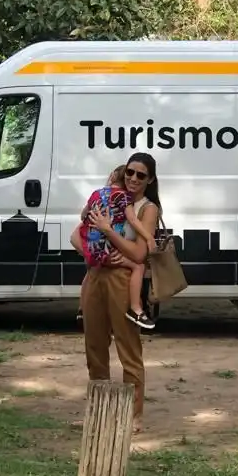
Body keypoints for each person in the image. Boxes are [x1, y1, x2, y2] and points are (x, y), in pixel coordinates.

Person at [79, 153, 160, 431]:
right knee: (94, 345)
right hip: (96, 274)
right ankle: (99, 411)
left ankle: (133, 415)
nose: (133, 178)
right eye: (130, 172)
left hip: (122, 281)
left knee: (127, 347)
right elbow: (78, 234)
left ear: (150, 179)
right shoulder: (109, 197)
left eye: (141, 175)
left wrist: (109, 233)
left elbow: (139, 254)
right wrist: (96, 254)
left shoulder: (147, 209)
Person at [73, 165, 156, 330]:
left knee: (89, 270)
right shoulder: (123, 197)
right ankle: (135, 308)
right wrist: (148, 237)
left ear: (111, 176)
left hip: (93, 247)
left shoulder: (96, 194)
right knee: (138, 267)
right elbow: (132, 220)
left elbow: (83, 215)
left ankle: (82, 309)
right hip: (109, 249)